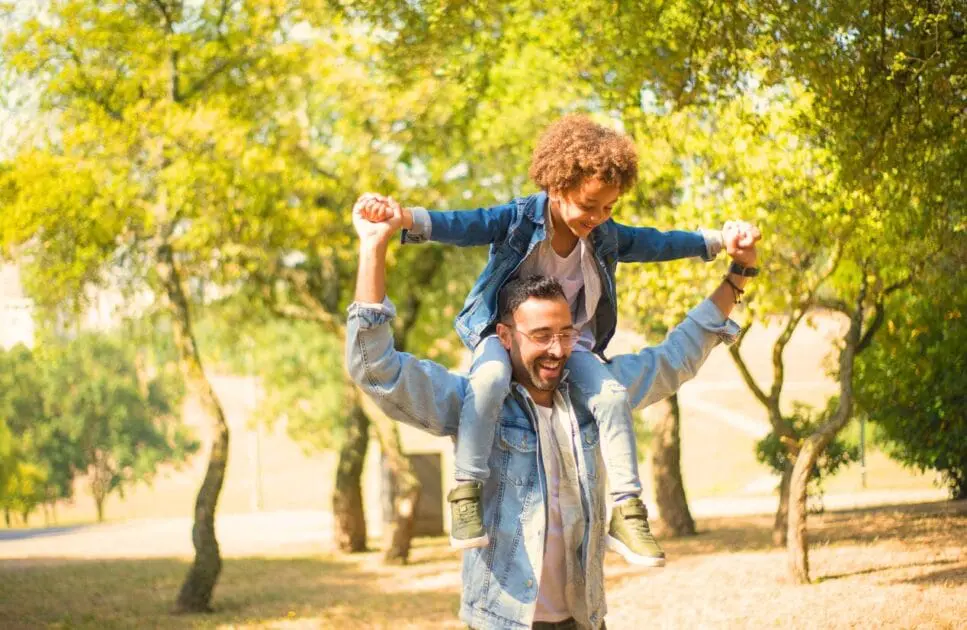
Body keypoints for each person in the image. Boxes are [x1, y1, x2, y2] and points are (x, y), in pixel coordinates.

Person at [355, 114, 756, 566]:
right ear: (556, 187)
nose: (597, 218)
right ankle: (466, 491)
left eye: (609, 208)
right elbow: (465, 224)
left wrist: (720, 242)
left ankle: (627, 510)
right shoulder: (519, 220)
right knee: (488, 382)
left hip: (577, 343)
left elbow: (655, 243)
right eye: (589, 205)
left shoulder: (603, 236)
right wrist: (401, 219)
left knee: (610, 395)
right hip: (496, 333)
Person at [346, 198, 760, 629]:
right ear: (504, 336)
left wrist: (738, 275)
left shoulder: (595, 397)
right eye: (541, 335)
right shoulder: (474, 404)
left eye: (566, 334)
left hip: (584, 620)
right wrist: (374, 247)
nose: (557, 349)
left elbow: (675, 358)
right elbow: (377, 369)